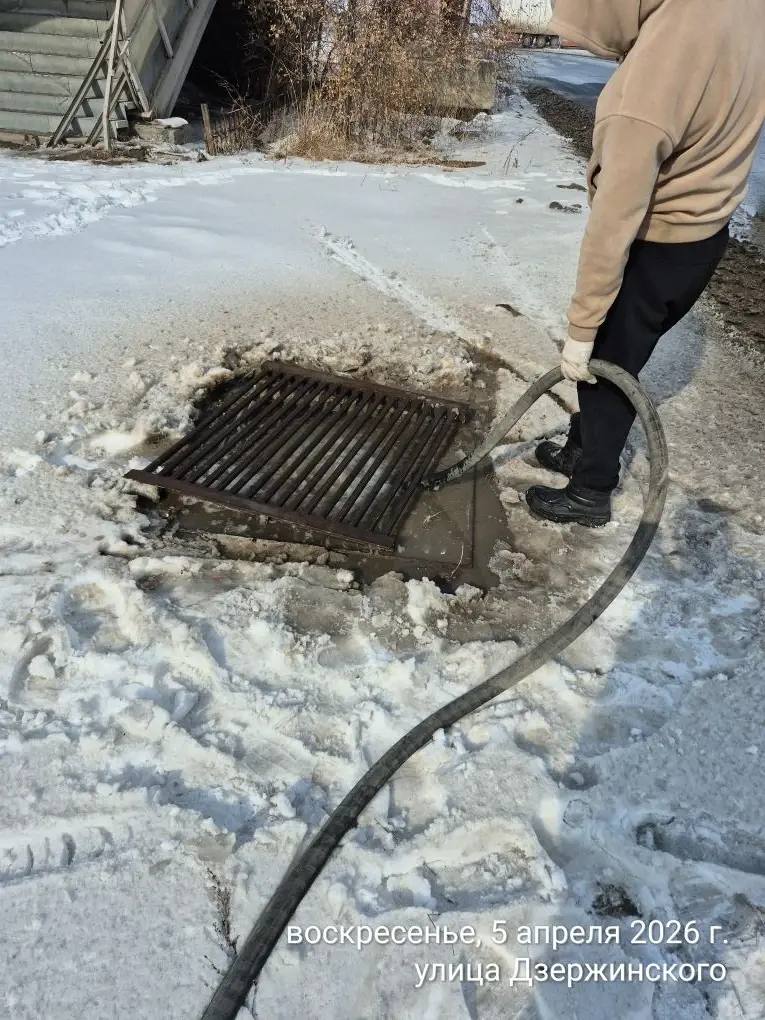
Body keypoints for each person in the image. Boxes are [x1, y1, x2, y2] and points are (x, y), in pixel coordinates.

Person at [526, 0, 765, 527]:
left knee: (607, 370)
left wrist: (581, 329)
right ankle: (580, 451)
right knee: (619, 356)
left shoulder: (644, 95)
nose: (566, 41)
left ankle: (591, 491)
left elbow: (614, 225)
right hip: (705, 235)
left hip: (658, 242)